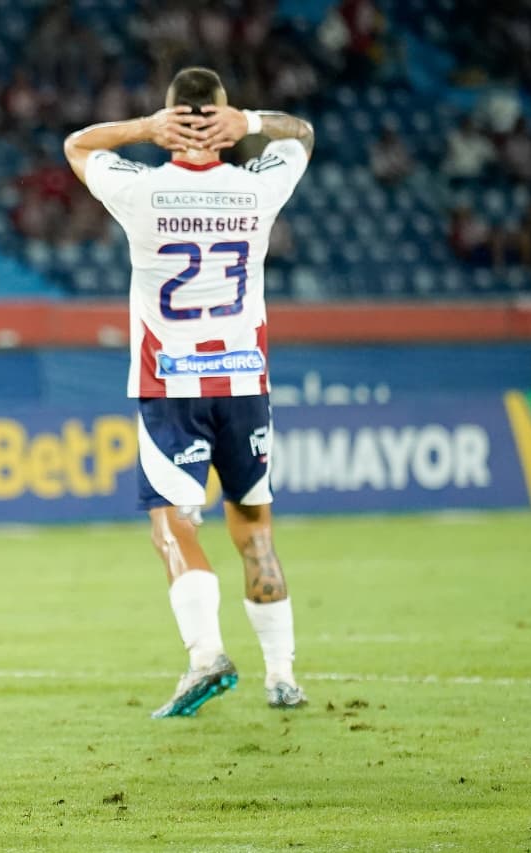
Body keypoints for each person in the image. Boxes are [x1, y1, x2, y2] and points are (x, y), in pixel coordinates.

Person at [64, 67, 313, 718]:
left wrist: (142, 129)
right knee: (254, 528)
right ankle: (282, 676)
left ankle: (206, 654)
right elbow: (303, 136)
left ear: (171, 119)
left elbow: (78, 146)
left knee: (172, 522)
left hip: (170, 382)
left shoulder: (142, 192)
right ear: (223, 123)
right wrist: (253, 125)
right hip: (244, 379)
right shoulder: (256, 189)